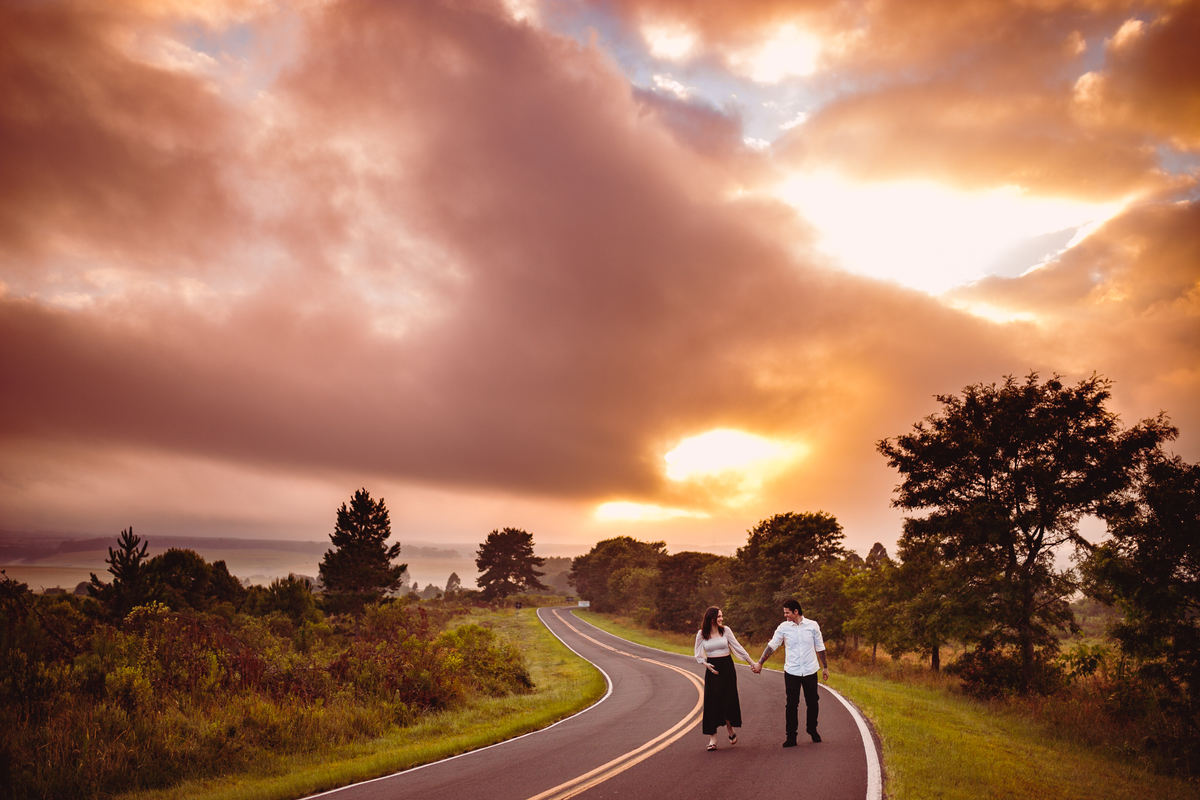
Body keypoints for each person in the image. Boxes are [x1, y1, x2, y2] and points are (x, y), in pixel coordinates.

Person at [751, 598, 828, 747]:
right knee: (791, 705)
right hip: (792, 672)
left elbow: (820, 647)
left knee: (813, 702)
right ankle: (791, 736)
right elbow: (772, 646)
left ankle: (812, 729)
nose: (785, 615)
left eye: (787, 613)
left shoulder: (812, 626)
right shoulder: (783, 628)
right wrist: (760, 663)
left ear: (796, 612)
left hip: (810, 671)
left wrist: (825, 667)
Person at [694, 606, 754, 751]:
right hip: (713, 669)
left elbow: (737, 647)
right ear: (711, 618)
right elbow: (697, 654)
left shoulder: (725, 630)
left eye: (722, 616)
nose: (721, 619)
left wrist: (752, 663)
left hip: (727, 668)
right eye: (719, 616)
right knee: (712, 703)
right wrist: (706, 665)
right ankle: (712, 739)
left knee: (728, 701)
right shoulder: (702, 634)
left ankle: (730, 729)